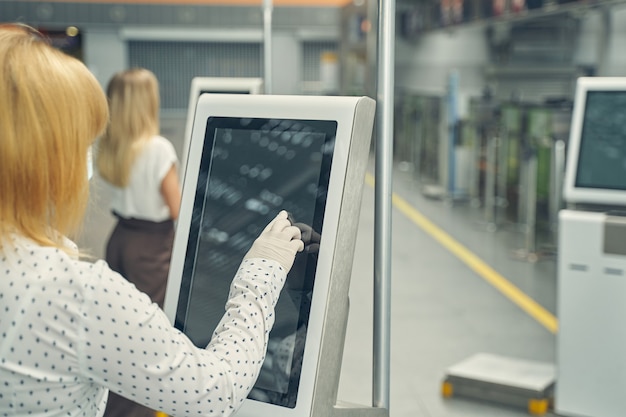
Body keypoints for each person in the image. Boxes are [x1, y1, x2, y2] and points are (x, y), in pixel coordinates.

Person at [0, 22, 304, 417]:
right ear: (46, 158)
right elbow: (214, 392)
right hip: (151, 244)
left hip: (122, 238)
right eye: (80, 142)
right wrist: (260, 273)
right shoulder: (79, 295)